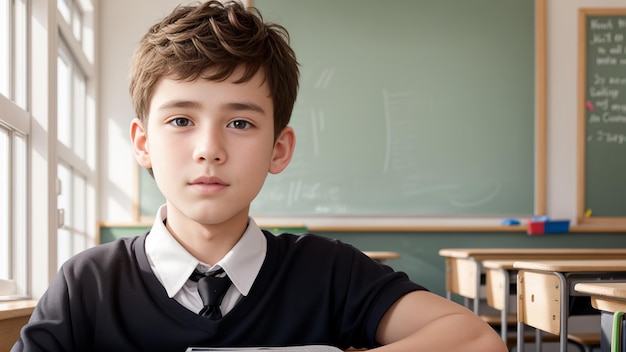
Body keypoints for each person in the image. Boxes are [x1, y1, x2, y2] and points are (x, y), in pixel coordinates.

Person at [13, 1, 507, 351]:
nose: (209, 149)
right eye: (181, 120)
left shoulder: (328, 271)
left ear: (279, 148)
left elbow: (476, 339)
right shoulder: (88, 284)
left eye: (240, 123)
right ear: (143, 143)